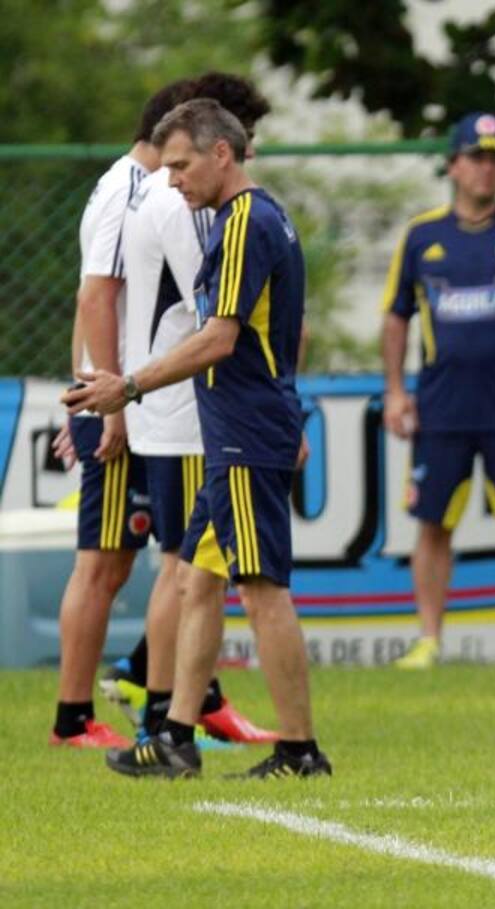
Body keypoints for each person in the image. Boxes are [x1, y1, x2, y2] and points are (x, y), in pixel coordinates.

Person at [65, 98, 329, 779]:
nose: (172, 178)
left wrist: (126, 386)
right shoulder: (252, 215)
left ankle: (299, 749)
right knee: (199, 580)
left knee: (262, 586)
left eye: (181, 165)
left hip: (244, 431)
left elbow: (218, 337)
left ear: (221, 154)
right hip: (236, 430)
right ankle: (176, 734)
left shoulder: (243, 223)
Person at [98, 73, 279, 747]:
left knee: (187, 564)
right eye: (242, 135)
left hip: (167, 402)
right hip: (182, 406)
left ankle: (170, 698)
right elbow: (216, 315)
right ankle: (161, 705)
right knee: (186, 566)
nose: (247, 149)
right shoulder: (186, 208)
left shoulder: (153, 196)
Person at [380, 112, 495, 671]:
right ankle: (428, 638)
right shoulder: (422, 235)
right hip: (440, 404)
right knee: (432, 522)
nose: (488, 169)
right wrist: (395, 391)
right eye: (477, 157)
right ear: (453, 164)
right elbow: (395, 318)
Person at [48, 81, 192, 749]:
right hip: (120, 402)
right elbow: (94, 295)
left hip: (126, 393)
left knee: (148, 559)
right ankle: (73, 717)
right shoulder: (129, 189)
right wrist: (104, 401)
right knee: (103, 563)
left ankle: (153, 691)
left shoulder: (142, 188)